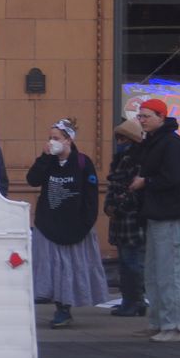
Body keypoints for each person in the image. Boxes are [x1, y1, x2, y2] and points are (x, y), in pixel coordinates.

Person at [25, 117, 107, 328]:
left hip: (75, 224)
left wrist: (87, 222)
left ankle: (65, 307)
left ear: (68, 140)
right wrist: (44, 157)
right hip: (49, 222)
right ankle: (56, 303)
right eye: (50, 138)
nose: (52, 141)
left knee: (70, 267)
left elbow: (90, 196)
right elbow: (32, 180)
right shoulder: (48, 161)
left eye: (56, 138)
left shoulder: (82, 162)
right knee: (51, 266)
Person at [129, 98, 180, 342]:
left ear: (161, 117)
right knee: (154, 273)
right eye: (140, 116)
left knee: (168, 272)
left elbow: (173, 177)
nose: (141, 120)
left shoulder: (171, 144)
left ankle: (173, 326)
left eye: (146, 116)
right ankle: (157, 322)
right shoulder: (154, 141)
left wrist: (145, 182)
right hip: (157, 212)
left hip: (170, 213)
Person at [102, 118, 148, 317]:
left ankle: (135, 301)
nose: (119, 142)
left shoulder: (138, 160)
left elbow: (134, 190)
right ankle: (129, 300)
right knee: (126, 262)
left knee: (132, 262)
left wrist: (118, 204)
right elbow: (114, 185)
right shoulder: (121, 159)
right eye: (118, 138)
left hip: (131, 218)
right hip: (122, 219)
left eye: (123, 138)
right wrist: (111, 205)